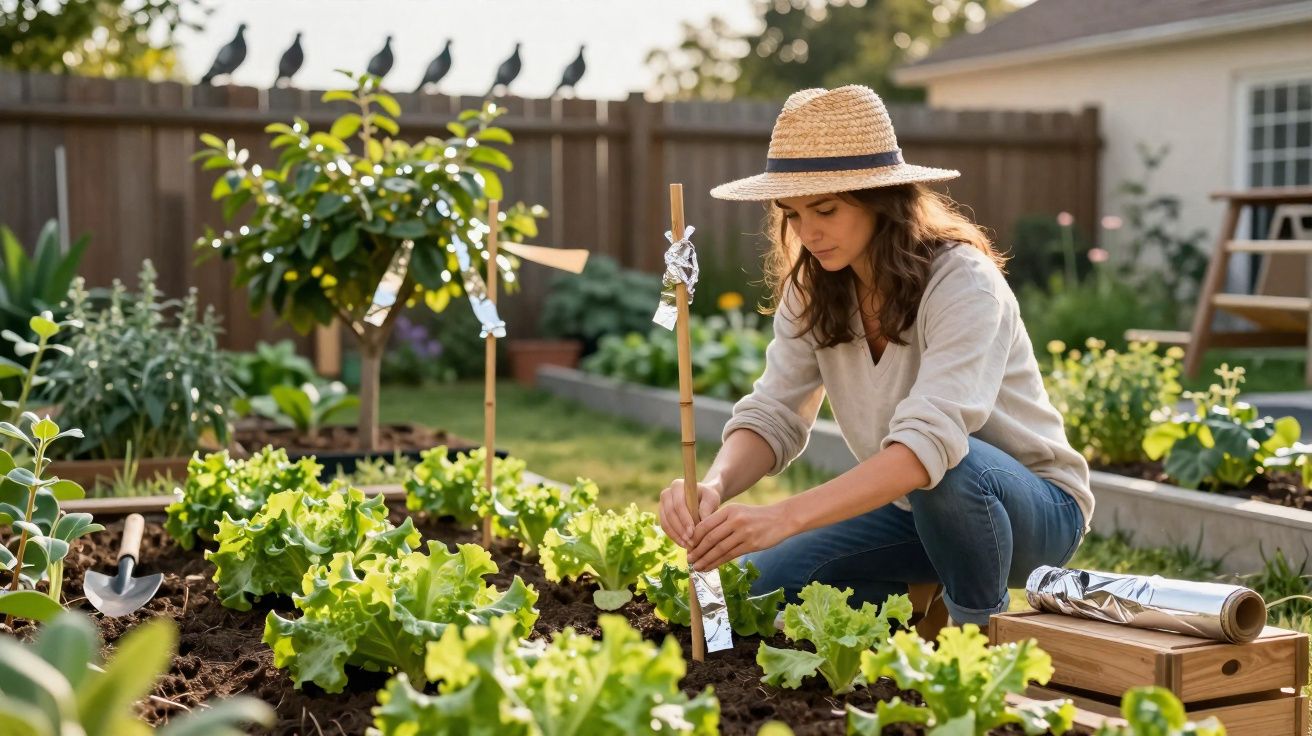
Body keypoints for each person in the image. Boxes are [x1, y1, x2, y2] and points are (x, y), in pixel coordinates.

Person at [656, 85, 1093, 627]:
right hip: (913, 508)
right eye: (791, 214)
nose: (807, 232)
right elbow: (774, 414)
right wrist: (715, 486)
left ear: (882, 200)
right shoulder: (814, 290)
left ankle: (978, 640)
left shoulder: (963, 282)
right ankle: (915, 607)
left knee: (948, 467)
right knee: (768, 582)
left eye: (826, 209)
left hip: (1032, 510)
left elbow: (926, 446)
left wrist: (783, 516)